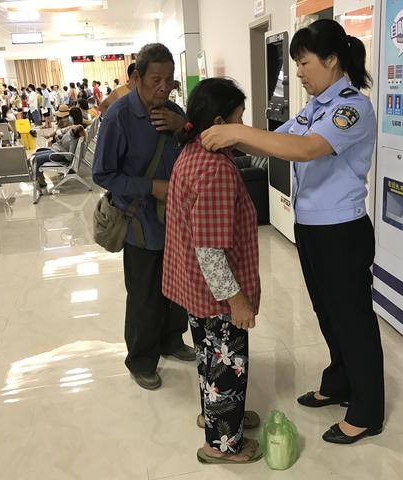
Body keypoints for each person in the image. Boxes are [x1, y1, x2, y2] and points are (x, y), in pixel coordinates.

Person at [201, 19, 384, 445]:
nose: (297, 72)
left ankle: (367, 409)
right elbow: (275, 139)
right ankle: (339, 382)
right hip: (314, 229)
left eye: (303, 63)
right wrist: (228, 139)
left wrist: (237, 132)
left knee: (353, 319)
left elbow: (304, 149)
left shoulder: (352, 107)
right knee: (327, 312)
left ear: (332, 60)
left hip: (342, 231)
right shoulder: (315, 106)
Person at [163, 78, 263, 464]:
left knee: (210, 358)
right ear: (220, 121)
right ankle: (223, 444)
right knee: (227, 366)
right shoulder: (215, 168)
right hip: (217, 294)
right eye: (239, 118)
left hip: (196, 291)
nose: (243, 125)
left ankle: (218, 416)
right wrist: (236, 301)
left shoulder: (189, 153)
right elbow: (210, 250)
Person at [92, 42, 194, 391]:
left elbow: (195, 142)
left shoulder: (174, 110)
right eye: (155, 80)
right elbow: (103, 174)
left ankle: (172, 339)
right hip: (139, 221)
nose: (163, 87)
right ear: (136, 77)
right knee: (145, 295)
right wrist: (151, 187)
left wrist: (182, 125)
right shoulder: (119, 117)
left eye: (169, 80)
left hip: (177, 222)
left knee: (177, 289)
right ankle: (141, 359)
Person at [32, 123, 85, 189]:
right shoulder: (70, 130)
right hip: (55, 150)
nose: (69, 129)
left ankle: (40, 179)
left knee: (36, 159)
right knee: (36, 154)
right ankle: (40, 175)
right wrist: (59, 134)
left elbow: (69, 158)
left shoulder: (73, 141)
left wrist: (60, 144)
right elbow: (60, 130)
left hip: (59, 155)